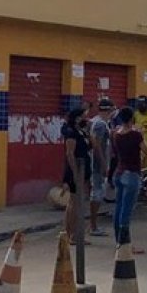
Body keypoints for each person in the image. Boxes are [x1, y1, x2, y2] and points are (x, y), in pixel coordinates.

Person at [111, 108, 147, 253]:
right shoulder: (135, 135)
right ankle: (125, 244)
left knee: (119, 208)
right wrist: (142, 135)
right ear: (132, 118)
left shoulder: (116, 134)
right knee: (126, 211)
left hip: (120, 172)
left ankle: (118, 241)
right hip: (132, 173)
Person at [61, 105, 93, 245]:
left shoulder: (81, 131)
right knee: (75, 202)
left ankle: (73, 233)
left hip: (84, 168)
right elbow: (69, 153)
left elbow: (91, 144)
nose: (86, 118)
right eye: (84, 116)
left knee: (77, 202)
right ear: (77, 118)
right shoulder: (71, 132)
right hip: (76, 170)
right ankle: (72, 234)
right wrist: (74, 173)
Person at [87, 98, 115, 236]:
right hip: (97, 163)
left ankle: (92, 225)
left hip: (93, 162)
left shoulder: (94, 121)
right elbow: (97, 145)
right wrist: (104, 163)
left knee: (96, 193)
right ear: (109, 110)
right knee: (97, 194)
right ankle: (93, 226)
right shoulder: (100, 125)